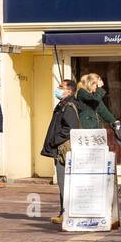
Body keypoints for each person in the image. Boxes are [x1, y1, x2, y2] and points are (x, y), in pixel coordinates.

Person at [41, 78, 79, 226]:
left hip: (64, 151)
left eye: (61, 87)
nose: (57, 89)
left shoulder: (68, 107)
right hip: (60, 149)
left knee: (64, 183)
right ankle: (64, 212)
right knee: (63, 183)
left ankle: (67, 213)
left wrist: (54, 141)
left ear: (69, 91)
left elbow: (69, 129)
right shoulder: (63, 105)